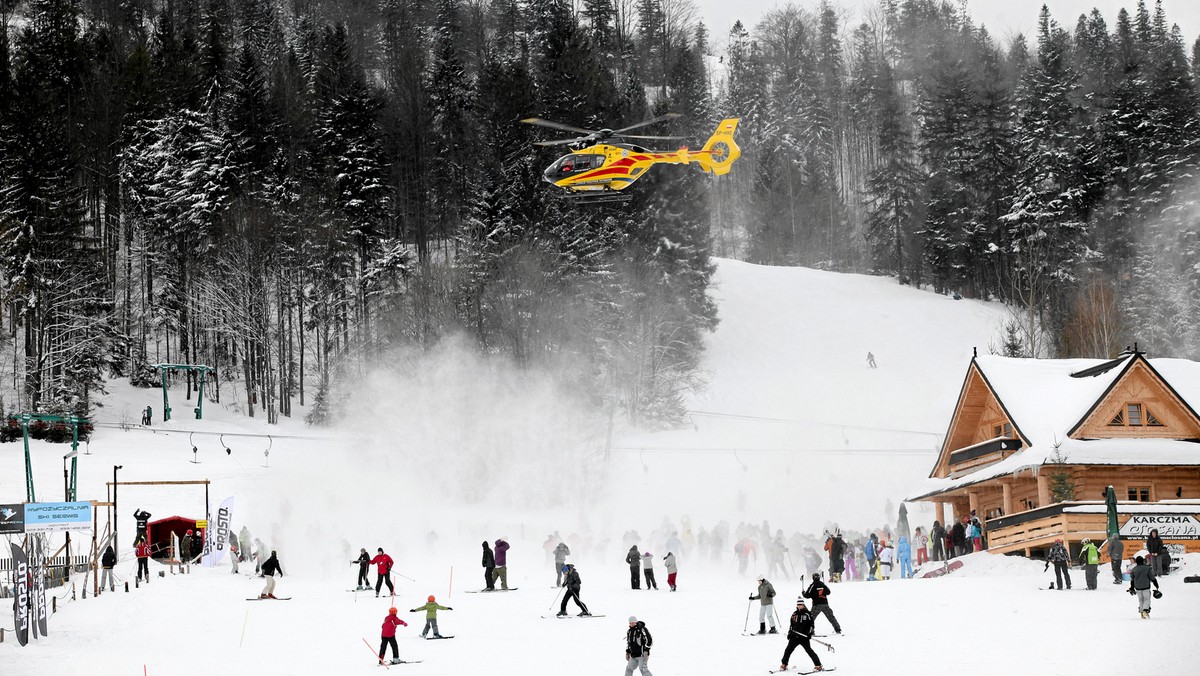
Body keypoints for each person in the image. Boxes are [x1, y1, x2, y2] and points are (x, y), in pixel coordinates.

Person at [779, 597, 823, 672]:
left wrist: (809, 633)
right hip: (794, 636)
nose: (799, 606)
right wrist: (790, 633)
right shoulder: (794, 614)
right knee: (788, 650)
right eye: (798, 604)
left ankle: (818, 665)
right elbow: (792, 625)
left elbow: (811, 625)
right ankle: (784, 664)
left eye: (801, 604)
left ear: (803, 605)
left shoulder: (808, 614)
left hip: (804, 637)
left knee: (809, 651)